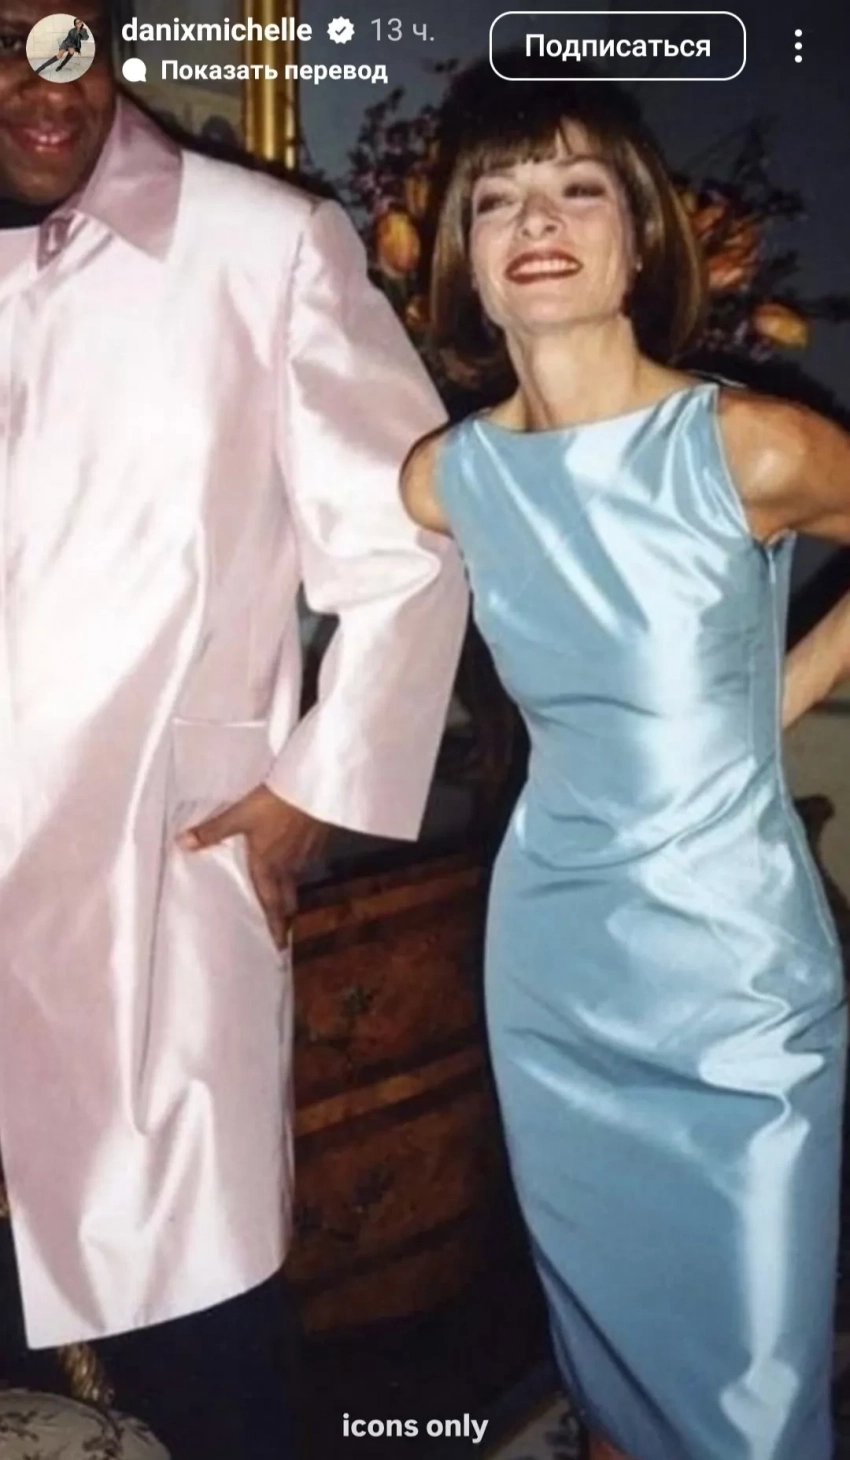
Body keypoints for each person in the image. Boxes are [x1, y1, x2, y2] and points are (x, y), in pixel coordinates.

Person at [0, 0, 468, 1455]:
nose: (46, 84)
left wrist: (315, 789)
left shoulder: (261, 247)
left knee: (196, 1323)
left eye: (71, 38)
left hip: (153, 875)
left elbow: (410, 545)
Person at [402, 65, 850, 1460]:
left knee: (751, 1392)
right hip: (553, 964)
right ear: (466, 257)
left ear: (640, 236)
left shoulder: (745, 446)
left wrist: (777, 694)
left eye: (576, 187)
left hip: (734, 976)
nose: (536, 219)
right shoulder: (445, 480)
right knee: (606, 1354)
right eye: (497, 198)